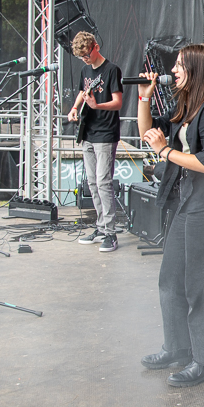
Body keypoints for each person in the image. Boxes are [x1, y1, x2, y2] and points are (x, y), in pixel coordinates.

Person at [136, 44, 204, 388]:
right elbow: (147, 133)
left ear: (197, 69)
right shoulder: (186, 105)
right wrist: (144, 97)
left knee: (200, 285)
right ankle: (178, 348)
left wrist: (165, 151)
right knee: (170, 279)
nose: (173, 70)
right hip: (187, 202)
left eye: (180, 65)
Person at [67, 32, 123, 253]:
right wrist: (74, 108)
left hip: (106, 133)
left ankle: (111, 232)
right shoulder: (85, 70)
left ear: (96, 47)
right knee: (92, 183)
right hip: (88, 132)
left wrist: (97, 106)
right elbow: (83, 92)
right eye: (81, 57)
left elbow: (118, 103)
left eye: (87, 55)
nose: (85, 59)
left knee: (103, 182)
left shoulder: (112, 70)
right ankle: (100, 228)